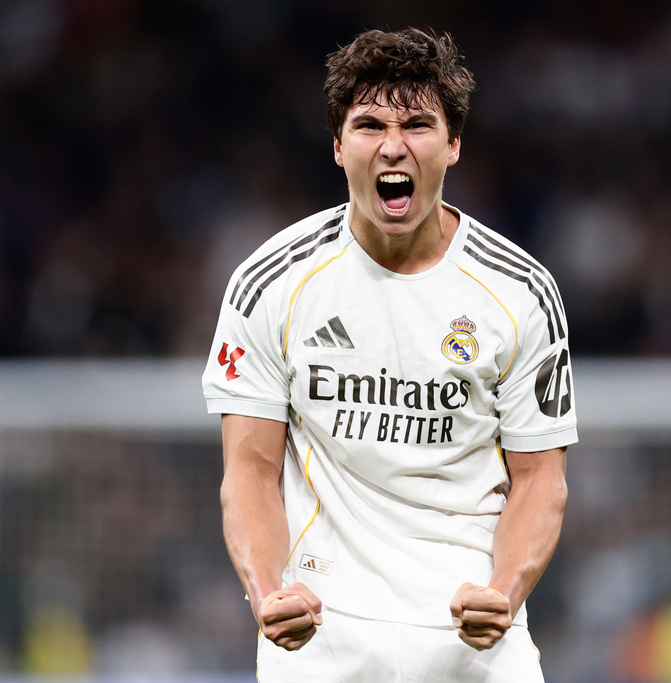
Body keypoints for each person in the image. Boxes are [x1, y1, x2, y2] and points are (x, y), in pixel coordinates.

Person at [202, 27, 576, 682]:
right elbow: (250, 470)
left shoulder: (519, 291)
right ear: (339, 145)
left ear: (454, 144)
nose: (393, 145)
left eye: (418, 124)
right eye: (370, 124)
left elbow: (541, 478)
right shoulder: (272, 283)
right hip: (321, 634)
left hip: (473, 637)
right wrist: (268, 592)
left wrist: (506, 593)